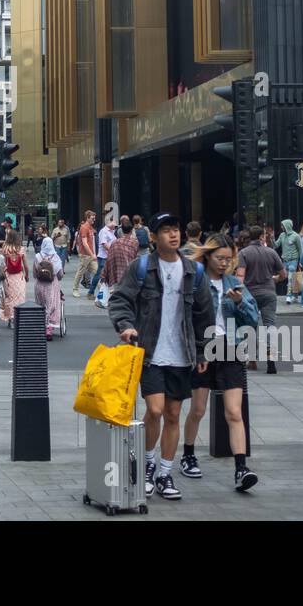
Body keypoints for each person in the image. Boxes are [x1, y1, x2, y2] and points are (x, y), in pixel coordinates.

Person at [109, 212, 216, 503]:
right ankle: (147, 465)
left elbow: (205, 313)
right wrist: (126, 326)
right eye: (166, 230)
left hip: (182, 354)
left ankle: (165, 473)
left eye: (176, 229)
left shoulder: (194, 271)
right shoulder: (142, 268)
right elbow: (120, 299)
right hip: (150, 352)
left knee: (172, 414)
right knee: (154, 410)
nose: (173, 234)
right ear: (153, 237)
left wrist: (204, 348)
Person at [181, 235, 260, 491]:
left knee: (234, 412)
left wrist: (239, 303)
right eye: (220, 258)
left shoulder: (234, 283)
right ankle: (188, 454)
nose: (225, 263)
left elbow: (253, 318)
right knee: (198, 409)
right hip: (204, 349)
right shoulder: (196, 281)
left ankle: (241, 468)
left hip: (231, 349)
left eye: (229, 259)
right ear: (208, 256)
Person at [236, 225, 286, 373]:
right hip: (269, 293)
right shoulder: (271, 252)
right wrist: (274, 279)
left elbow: (240, 277)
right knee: (269, 325)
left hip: (250, 294)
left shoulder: (243, 253)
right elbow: (283, 274)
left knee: (250, 326)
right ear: (261, 237)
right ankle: (270, 358)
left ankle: (252, 361)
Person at [101, 220, 140, 308]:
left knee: (118, 290)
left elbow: (110, 258)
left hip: (117, 272)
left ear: (121, 230)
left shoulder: (115, 242)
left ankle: (119, 305)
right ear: (131, 230)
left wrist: (105, 274)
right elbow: (135, 257)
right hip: (129, 272)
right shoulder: (135, 243)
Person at [33, 236, 64, 341]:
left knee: (41, 305)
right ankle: (49, 328)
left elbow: (34, 273)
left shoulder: (38, 256)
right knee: (52, 305)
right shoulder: (56, 257)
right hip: (52, 284)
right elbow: (60, 275)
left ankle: (41, 325)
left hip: (39, 285)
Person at [0, 229, 28, 323]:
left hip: (8, 276)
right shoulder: (21, 249)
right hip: (19, 276)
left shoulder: (4, 249)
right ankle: (17, 316)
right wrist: (27, 275)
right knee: (19, 296)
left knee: (9, 297)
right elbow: (26, 265)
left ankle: (10, 317)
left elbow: (2, 263)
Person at [276, 219, 303, 305]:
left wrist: (301, 261)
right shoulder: (281, 235)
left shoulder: (296, 236)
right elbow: (276, 245)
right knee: (284, 277)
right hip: (284, 261)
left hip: (293, 261)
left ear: (287, 226)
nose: (281, 227)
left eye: (282, 225)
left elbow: (301, 250)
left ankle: (288, 296)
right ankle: (295, 295)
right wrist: (271, 239)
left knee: (290, 278)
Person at [90, 216, 117, 305]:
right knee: (100, 275)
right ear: (108, 222)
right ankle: (92, 292)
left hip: (109, 256)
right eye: (114, 222)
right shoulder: (103, 231)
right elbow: (104, 244)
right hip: (103, 257)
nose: (116, 224)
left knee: (103, 275)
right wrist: (113, 250)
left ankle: (102, 292)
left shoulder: (112, 231)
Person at [73, 210, 97, 296]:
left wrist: (93, 254)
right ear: (87, 218)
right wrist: (92, 254)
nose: (94, 219)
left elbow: (91, 242)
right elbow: (84, 243)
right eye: (92, 218)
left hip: (90, 255)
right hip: (85, 255)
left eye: (94, 218)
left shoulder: (90, 227)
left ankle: (101, 289)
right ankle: (75, 289)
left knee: (97, 272)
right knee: (80, 272)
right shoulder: (84, 227)